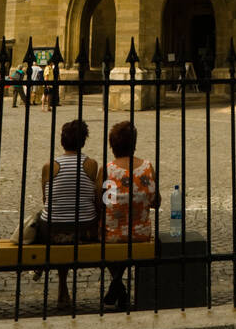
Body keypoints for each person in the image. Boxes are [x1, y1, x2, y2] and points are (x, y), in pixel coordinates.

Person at [95, 121, 160, 312]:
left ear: (112, 145)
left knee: (108, 240)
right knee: (125, 243)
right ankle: (119, 289)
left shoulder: (106, 170)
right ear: (134, 143)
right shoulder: (147, 168)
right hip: (141, 233)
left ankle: (117, 285)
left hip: (111, 234)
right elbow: (156, 201)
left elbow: (98, 202)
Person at [39, 118, 100, 311]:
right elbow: (96, 198)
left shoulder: (49, 166)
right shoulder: (91, 165)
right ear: (83, 141)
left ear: (62, 140)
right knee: (75, 222)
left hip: (52, 231)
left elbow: (45, 199)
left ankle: (62, 286)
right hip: (84, 230)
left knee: (56, 221)